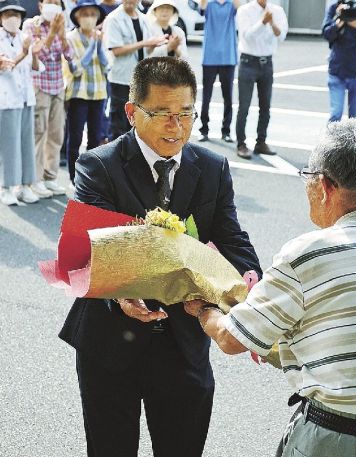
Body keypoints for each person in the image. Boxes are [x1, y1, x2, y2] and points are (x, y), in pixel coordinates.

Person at [185, 119, 356, 457]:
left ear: (324, 186)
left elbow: (232, 338)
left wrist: (207, 311)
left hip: (340, 440)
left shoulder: (306, 255)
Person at [59, 57, 262, 457]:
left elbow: (231, 237)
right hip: (110, 342)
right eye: (163, 114)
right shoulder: (99, 165)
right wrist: (120, 294)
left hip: (183, 344)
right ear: (132, 113)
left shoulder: (212, 166)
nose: (177, 126)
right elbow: (89, 247)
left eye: (186, 113)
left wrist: (252, 284)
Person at [23, 0, 73, 199]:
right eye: (49, 2)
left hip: (57, 85)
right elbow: (38, 55)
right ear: (40, 5)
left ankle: (49, 177)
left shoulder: (63, 23)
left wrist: (61, 35)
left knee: (56, 134)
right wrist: (52, 33)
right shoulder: (31, 25)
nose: (53, 5)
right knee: (38, 133)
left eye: (56, 2)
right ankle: (34, 180)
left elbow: (69, 56)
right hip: (39, 86)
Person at [0, 0, 44, 206]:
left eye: (16, 15)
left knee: (27, 141)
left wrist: (33, 54)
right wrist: (24, 52)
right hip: (7, 100)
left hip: (27, 97)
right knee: (10, 144)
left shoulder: (24, 38)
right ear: (1, 18)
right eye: (8, 14)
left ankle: (26, 185)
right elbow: (5, 67)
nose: (13, 19)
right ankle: (7, 187)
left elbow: (36, 67)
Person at [103, 0, 167, 140]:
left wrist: (157, 43)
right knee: (118, 125)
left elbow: (148, 49)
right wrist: (145, 43)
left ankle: (132, 159)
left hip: (140, 80)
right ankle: (116, 159)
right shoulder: (114, 19)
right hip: (121, 80)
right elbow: (116, 50)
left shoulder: (144, 18)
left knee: (136, 124)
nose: (130, 1)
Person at [235, 0, 288, 159]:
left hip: (267, 63)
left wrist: (271, 23)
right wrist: (262, 22)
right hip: (248, 62)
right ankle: (241, 144)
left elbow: (282, 36)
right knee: (244, 106)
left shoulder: (277, 10)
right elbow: (246, 36)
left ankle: (261, 141)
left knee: (265, 106)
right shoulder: (244, 10)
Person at [65, 0, 108, 183]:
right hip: (78, 94)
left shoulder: (101, 37)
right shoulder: (70, 38)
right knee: (74, 137)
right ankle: (74, 177)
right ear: (77, 17)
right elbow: (75, 68)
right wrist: (92, 47)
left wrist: (98, 46)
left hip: (98, 93)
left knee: (95, 138)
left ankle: (89, 178)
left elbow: (107, 67)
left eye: (93, 14)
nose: (89, 18)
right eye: (85, 14)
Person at [198, 0, 240, 143]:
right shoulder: (209, 4)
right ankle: (204, 129)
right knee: (206, 97)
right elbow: (201, 8)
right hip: (209, 57)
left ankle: (226, 131)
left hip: (228, 57)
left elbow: (238, 7)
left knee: (228, 97)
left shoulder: (231, 5)